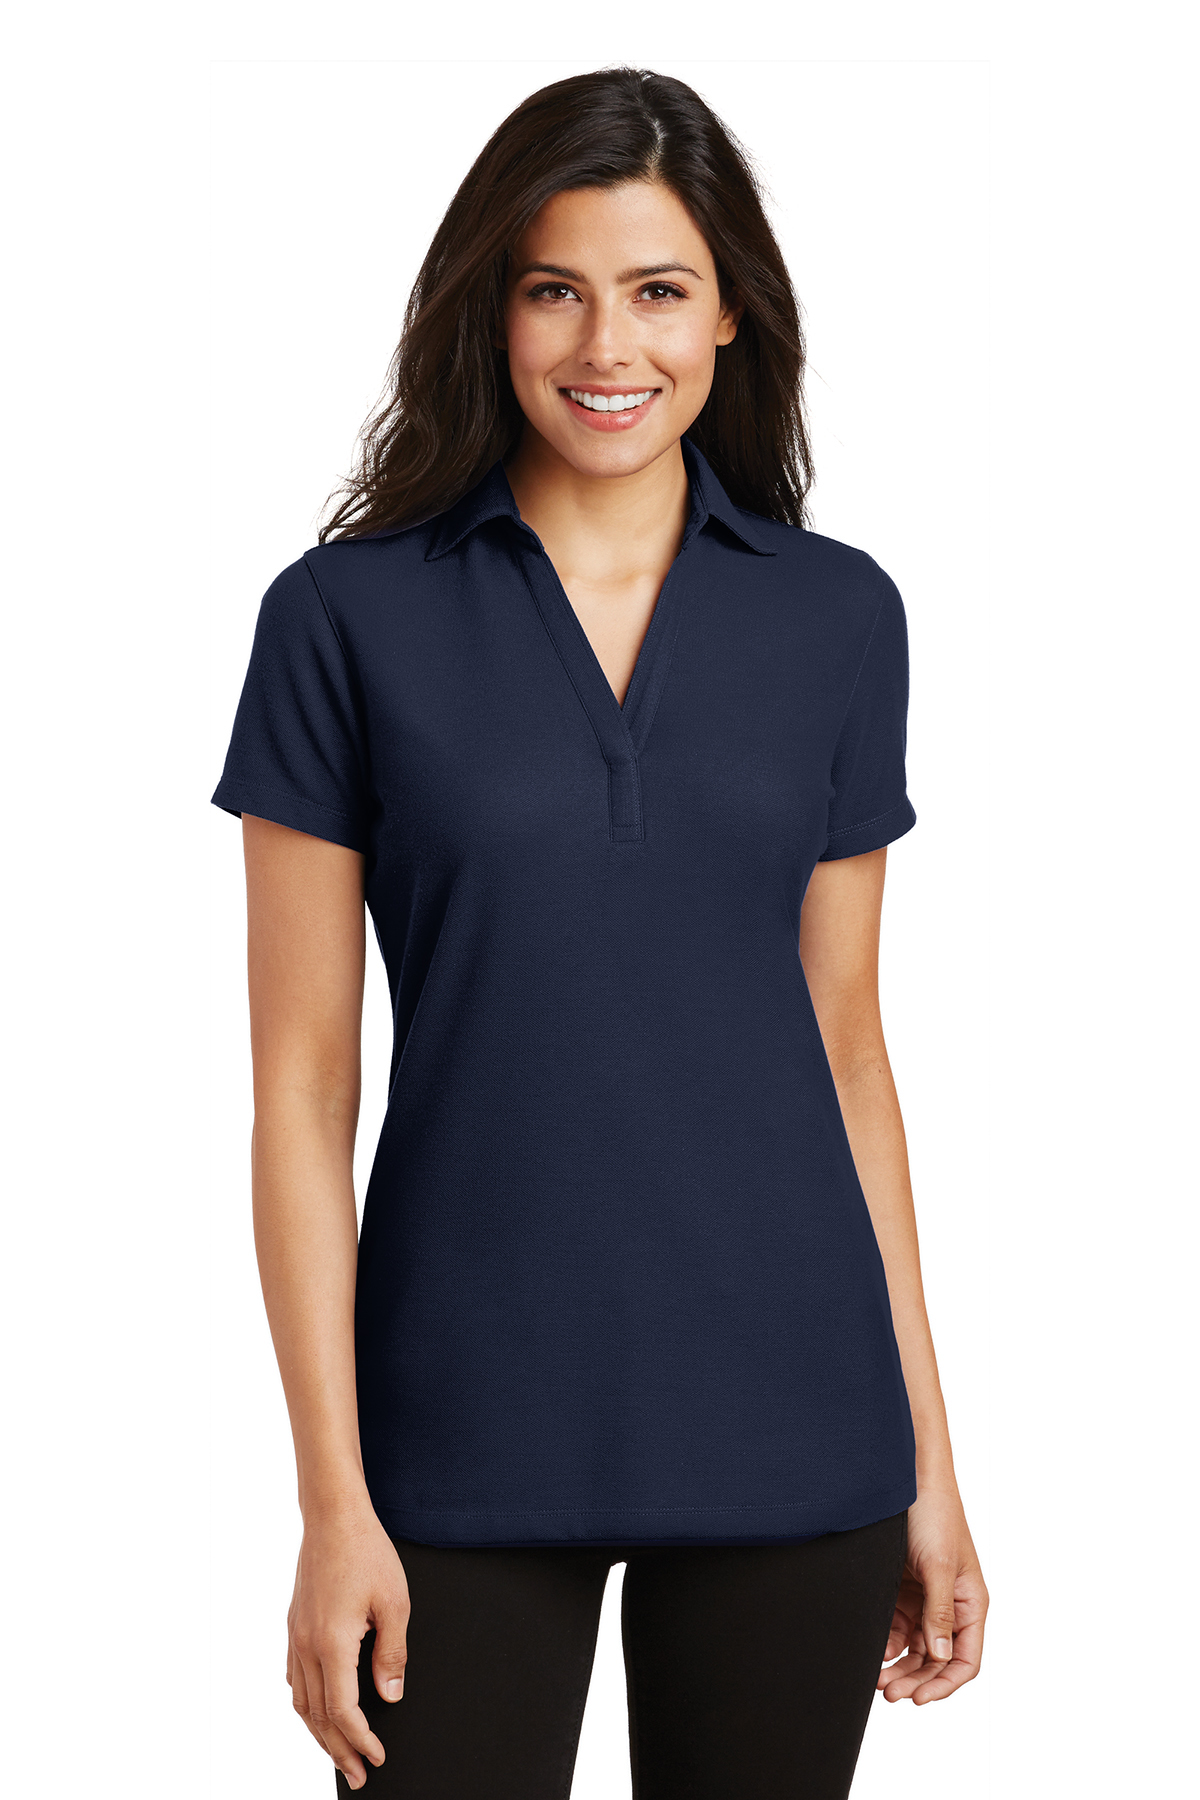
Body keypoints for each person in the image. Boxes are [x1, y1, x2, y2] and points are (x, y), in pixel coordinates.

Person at [212, 66, 987, 1799]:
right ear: (490, 311)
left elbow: (849, 1055)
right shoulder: (343, 618)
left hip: (795, 1415)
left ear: (730, 317)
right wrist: (331, 1500)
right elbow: (302, 1089)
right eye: (554, 288)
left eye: (658, 290)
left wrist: (931, 1466)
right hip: (455, 1426)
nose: (606, 345)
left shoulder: (838, 616)